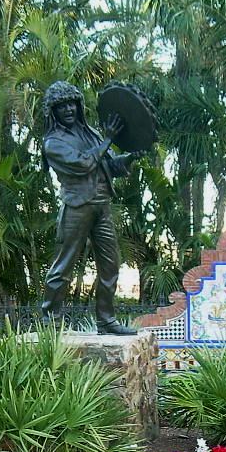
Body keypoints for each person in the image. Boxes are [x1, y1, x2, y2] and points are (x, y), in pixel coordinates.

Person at [39, 80, 143, 335]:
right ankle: (50, 321)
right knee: (63, 267)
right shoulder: (53, 142)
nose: (69, 110)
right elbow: (84, 163)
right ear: (53, 111)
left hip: (102, 206)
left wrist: (130, 156)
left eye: (72, 104)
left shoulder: (91, 134)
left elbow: (109, 166)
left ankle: (106, 320)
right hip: (77, 207)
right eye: (62, 106)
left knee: (110, 265)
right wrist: (108, 139)